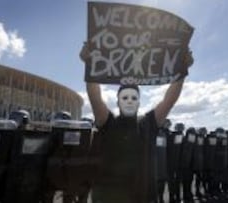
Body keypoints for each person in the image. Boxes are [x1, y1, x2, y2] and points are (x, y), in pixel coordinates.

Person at [80, 43, 194, 203]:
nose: (129, 101)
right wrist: (89, 64)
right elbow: (95, 96)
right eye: (125, 98)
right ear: (118, 102)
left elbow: (169, 100)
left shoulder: (148, 123)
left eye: (134, 98)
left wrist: (182, 70)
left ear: (139, 102)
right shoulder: (108, 122)